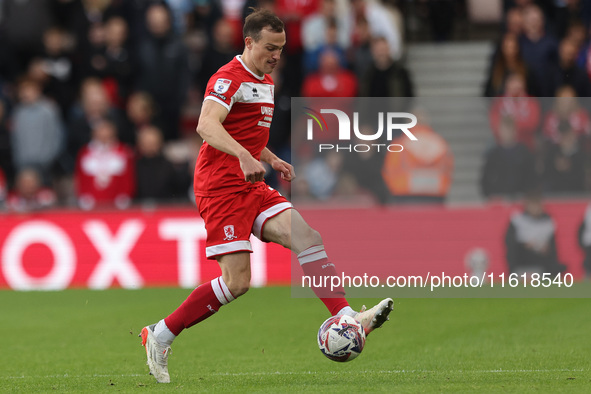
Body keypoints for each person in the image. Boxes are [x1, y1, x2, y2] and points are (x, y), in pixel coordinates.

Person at [140, 9, 393, 384]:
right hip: (221, 187)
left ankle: (345, 315)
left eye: (281, 49)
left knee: (308, 237)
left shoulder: (266, 81)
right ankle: (160, 334)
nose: (276, 55)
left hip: (252, 184)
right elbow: (206, 124)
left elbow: (246, 134)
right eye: (270, 48)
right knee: (238, 282)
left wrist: (269, 157)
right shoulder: (228, 78)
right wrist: (242, 155)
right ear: (249, 42)